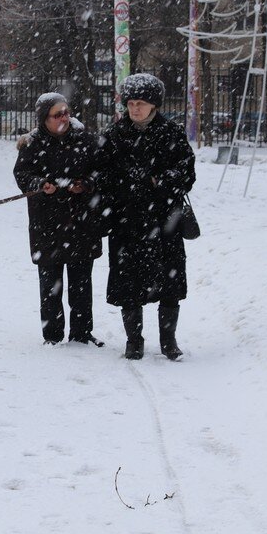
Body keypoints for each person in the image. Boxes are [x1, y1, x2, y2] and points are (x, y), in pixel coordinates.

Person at [98, 74, 196, 360]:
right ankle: (133, 340)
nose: (135, 109)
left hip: (165, 220)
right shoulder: (115, 134)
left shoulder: (172, 133)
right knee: (129, 283)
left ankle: (168, 340)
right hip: (127, 222)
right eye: (130, 103)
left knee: (170, 282)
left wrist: (158, 182)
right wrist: (124, 185)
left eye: (140, 103)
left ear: (153, 105)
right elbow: (102, 174)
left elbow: (186, 174)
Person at [14, 93, 104, 347]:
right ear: (45, 119)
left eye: (66, 112)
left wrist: (86, 183)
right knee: (50, 285)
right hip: (48, 223)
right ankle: (52, 335)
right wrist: (40, 185)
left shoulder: (85, 140)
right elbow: (22, 175)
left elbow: (100, 170)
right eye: (57, 114)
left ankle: (82, 333)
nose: (64, 117)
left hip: (81, 221)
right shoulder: (32, 144)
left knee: (81, 284)